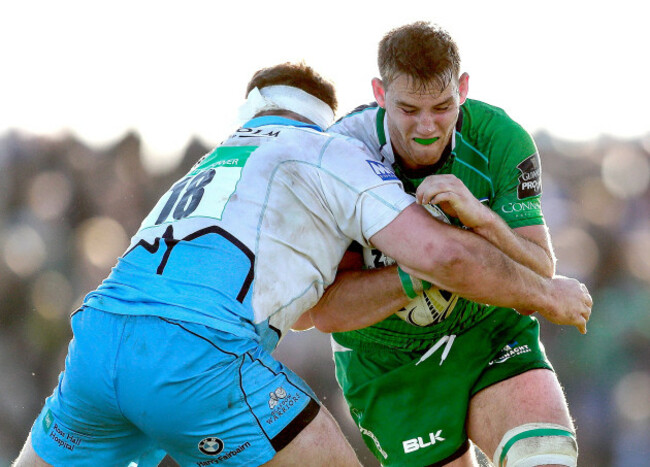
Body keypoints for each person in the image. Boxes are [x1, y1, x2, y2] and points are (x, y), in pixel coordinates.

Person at [13, 62, 590, 467]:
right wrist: (547, 294)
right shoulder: (326, 148)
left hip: (96, 341)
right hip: (202, 350)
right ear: (326, 114)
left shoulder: (212, 162)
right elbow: (441, 253)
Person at [305, 22, 589, 467]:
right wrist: (429, 265)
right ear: (379, 94)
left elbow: (539, 270)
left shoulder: (500, 138)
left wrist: (482, 221)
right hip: (387, 360)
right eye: (408, 109)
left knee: (546, 457)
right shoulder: (337, 154)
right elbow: (325, 312)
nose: (425, 127)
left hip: (487, 328)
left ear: (463, 88)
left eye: (442, 107)